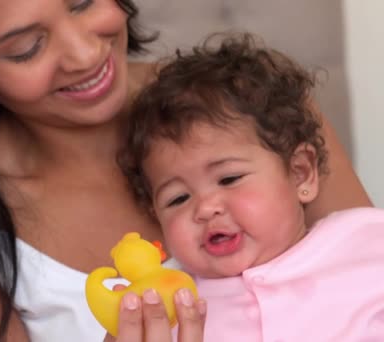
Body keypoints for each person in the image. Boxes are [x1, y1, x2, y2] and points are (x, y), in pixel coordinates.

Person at [0, 0, 371, 340]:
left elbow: (363, 274)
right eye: (27, 48)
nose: (85, 52)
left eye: (83, 1)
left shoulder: (253, 105)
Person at [119, 33, 384, 341]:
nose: (205, 208)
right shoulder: (174, 303)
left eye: (229, 179)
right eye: (177, 199)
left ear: (300, 173)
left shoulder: (363, 241)